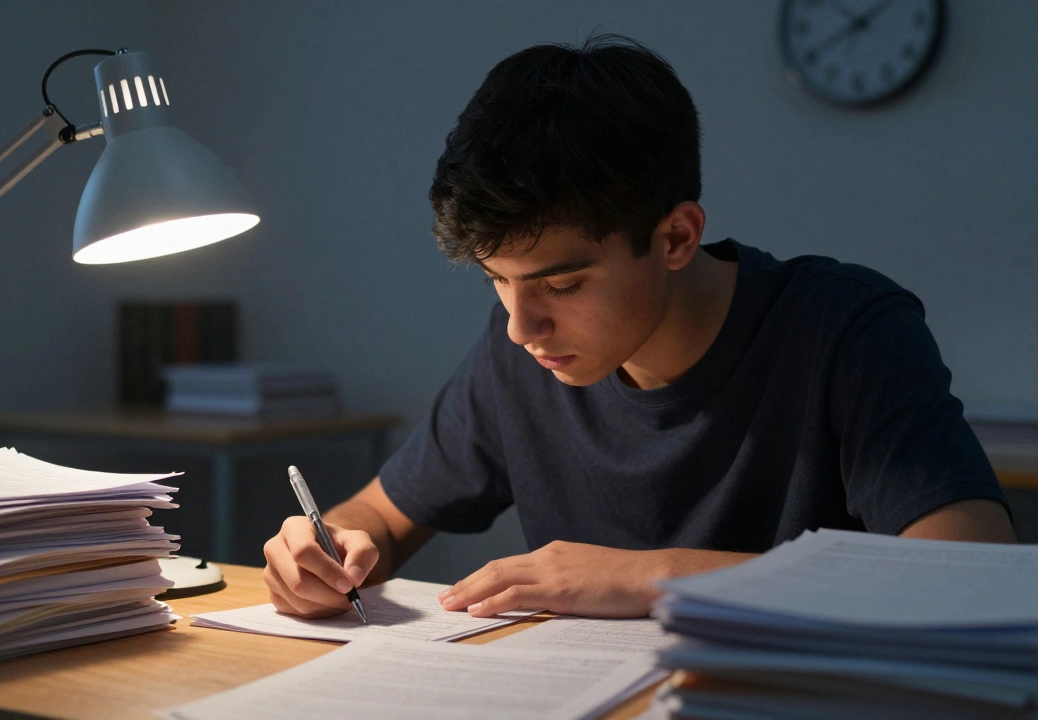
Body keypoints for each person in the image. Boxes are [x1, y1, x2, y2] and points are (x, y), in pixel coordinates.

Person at [262, 35, 1016, 621]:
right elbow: (379, 520)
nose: (522, 326)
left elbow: (971, 574)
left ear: (678, 237)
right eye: (497, 282)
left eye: (562, 283)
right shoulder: (520, 355)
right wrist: (328, 547)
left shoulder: (845, 331)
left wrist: (652, 573)